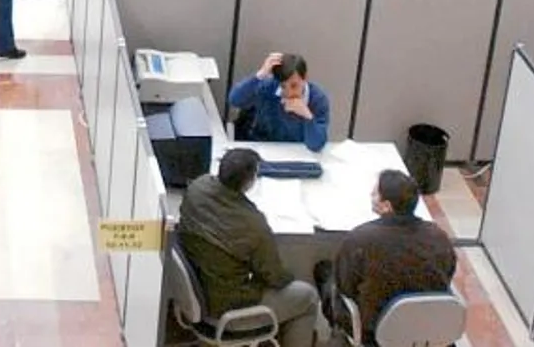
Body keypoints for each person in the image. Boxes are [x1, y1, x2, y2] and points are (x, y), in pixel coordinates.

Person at [178, 148, 323, 347]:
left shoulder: (196, 188)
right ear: (249, 182)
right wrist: (291, 275)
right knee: (307, 296)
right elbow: (275, 277)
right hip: (229, 312)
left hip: (199, 296)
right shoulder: (253, 224)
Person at [323, 170, 457, 345]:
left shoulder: (360, 239)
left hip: (374, 334)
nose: (371, 195)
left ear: (386, 206)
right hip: (427, 329)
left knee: (325, 274)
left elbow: (345, 286)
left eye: (375, 193)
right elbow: (448, 273)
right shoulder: (438, 236)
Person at [231, 52, 329, 151]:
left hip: (296, 153)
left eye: (294, 86)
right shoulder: (269, 87)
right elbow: (235, 100)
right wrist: (260, 75)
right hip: (262, 147)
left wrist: (307, 115)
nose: (289, 93)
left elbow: (316, 145)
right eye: (283, 86)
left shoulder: (318, 99)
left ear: (305, 78)